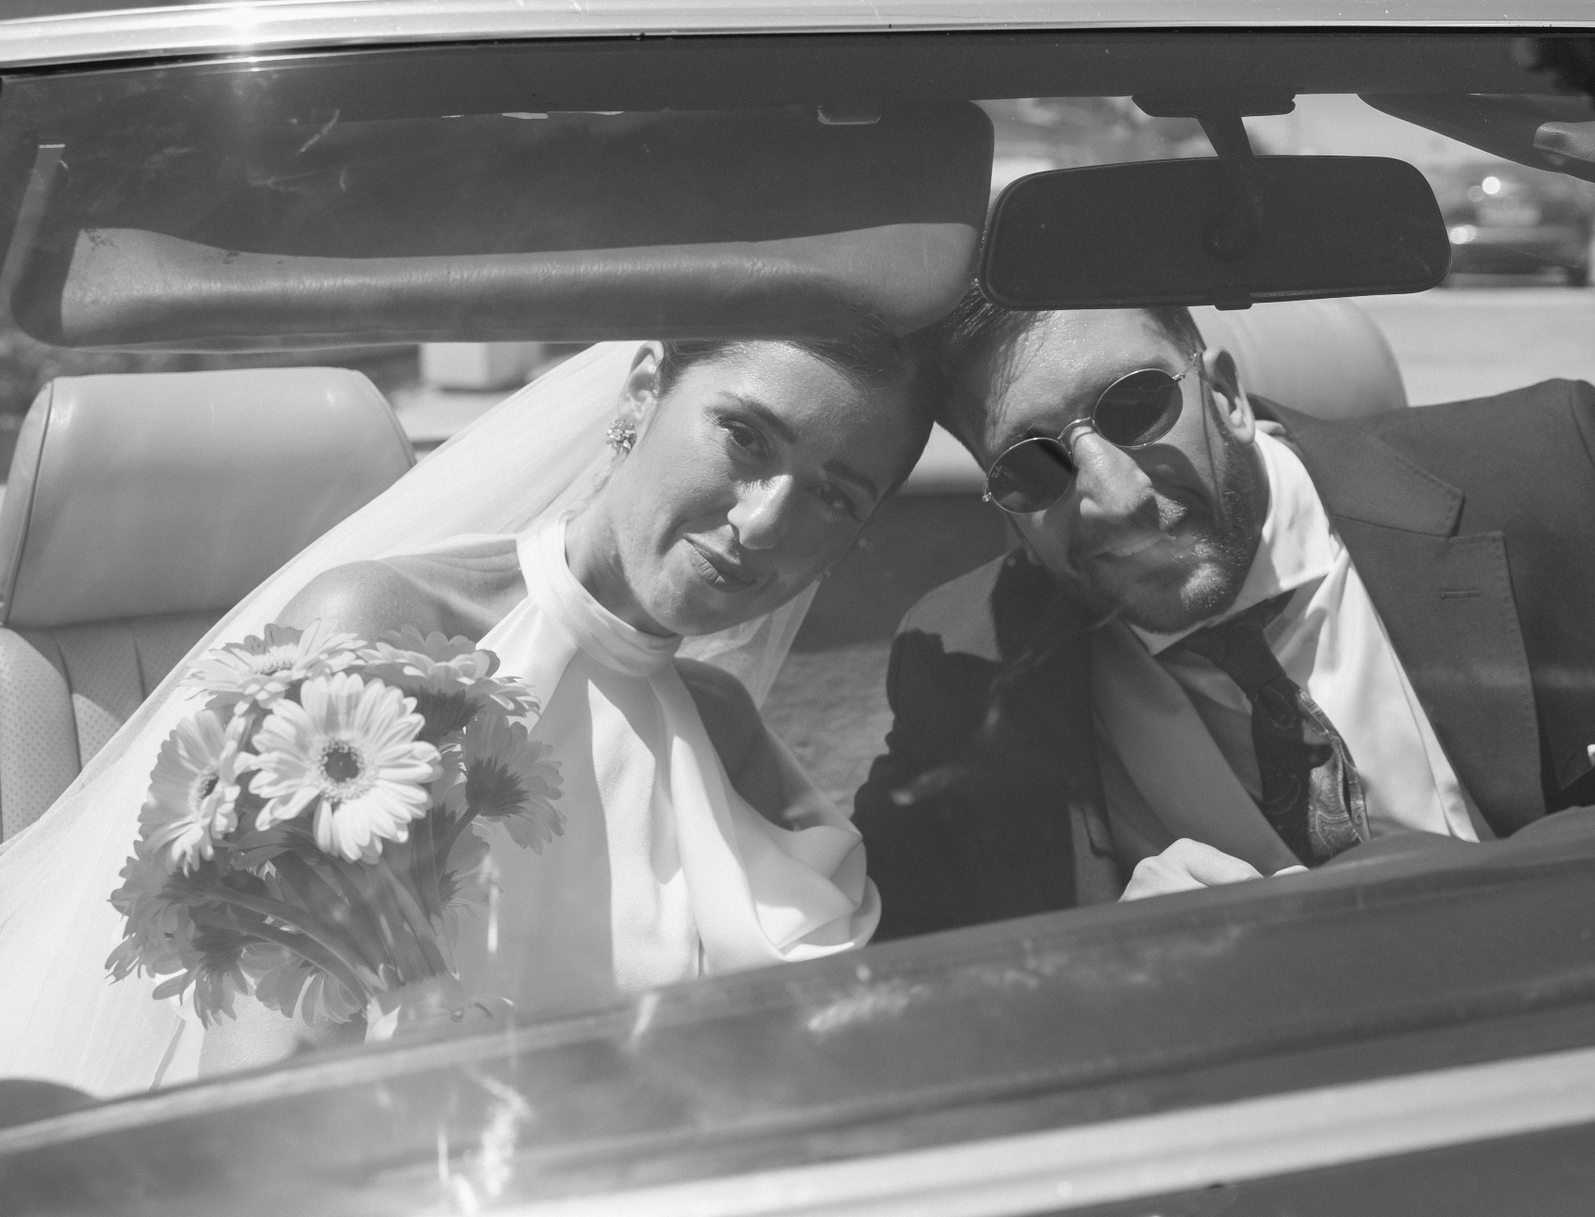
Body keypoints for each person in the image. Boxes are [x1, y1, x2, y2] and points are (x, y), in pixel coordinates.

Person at [0, 332, 933, 1097]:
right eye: (747, 439)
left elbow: (838, 1037)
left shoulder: (722, 730)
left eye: (834, 496)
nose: (765, 522)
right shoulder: (377, 633)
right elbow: (267, 1080)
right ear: (645, 389)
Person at [851, 292, 1595, 938]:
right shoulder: (963, 663)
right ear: (1001, 504)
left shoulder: (1557, 475)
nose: (1113, 498)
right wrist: (1116, 957)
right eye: (1033, 465)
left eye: (1133, 407)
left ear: (1226, 393)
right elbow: (906, 978)